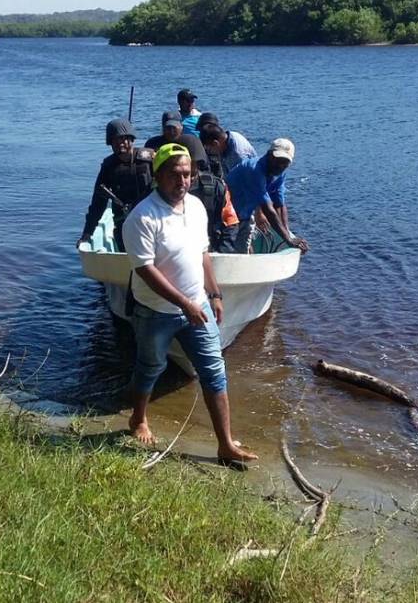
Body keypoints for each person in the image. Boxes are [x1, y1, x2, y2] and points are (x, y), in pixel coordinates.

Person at [122, 143, 257, 466]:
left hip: (198, 306)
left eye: (187, 174)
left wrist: (214, 294)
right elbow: (145, 270)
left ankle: (225, 444)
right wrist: (184, 304)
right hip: (155, 311)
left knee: (214, 371)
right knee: (150, 366)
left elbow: (202, 254)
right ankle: (138, 418)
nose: (182, 181)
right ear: (158, 177)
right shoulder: (142, 216)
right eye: (174, 174)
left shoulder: (196, 206)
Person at [77, 118, 153, 252]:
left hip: (151, 219)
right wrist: (87, 233)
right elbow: (98, 203)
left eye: (123, 139)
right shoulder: (108, 167)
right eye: (115, 141)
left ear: (131, 139)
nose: (120, 144)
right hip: (124, 223)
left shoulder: (148, 159)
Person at [226, 138, 309, 254]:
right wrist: (288, 239)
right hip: (226, 214)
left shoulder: (280, 172)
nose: (280, 165)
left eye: (285, 162)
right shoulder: (254, 169)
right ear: (269, 155)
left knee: (244, 249)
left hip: (244, 214)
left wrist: (288, 234)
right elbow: (268, 209)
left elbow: (279, 205)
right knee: (229, 251)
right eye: (278, 160)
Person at [185, 139, 239, 253]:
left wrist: (222, 253)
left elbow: (231, 223)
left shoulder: (216, 188)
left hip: (210, 250)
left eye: (192, 171)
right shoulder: (163, 189)